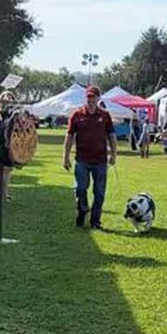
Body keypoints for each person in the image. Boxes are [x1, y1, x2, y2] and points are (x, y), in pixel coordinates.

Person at [63, 84, 117, 229]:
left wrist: (114, 154)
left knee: (99, 193)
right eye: (89, 97)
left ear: (99, 98)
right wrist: (65, 156)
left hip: (100, 160)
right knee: (80, 188)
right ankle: (82, 209)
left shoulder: (105, 116)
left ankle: (95, 222)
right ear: (86, 98)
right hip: (82, 159)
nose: (91, 100)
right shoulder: (77, 115)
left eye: (94, 97)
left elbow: (111, 136)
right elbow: (69, 137)